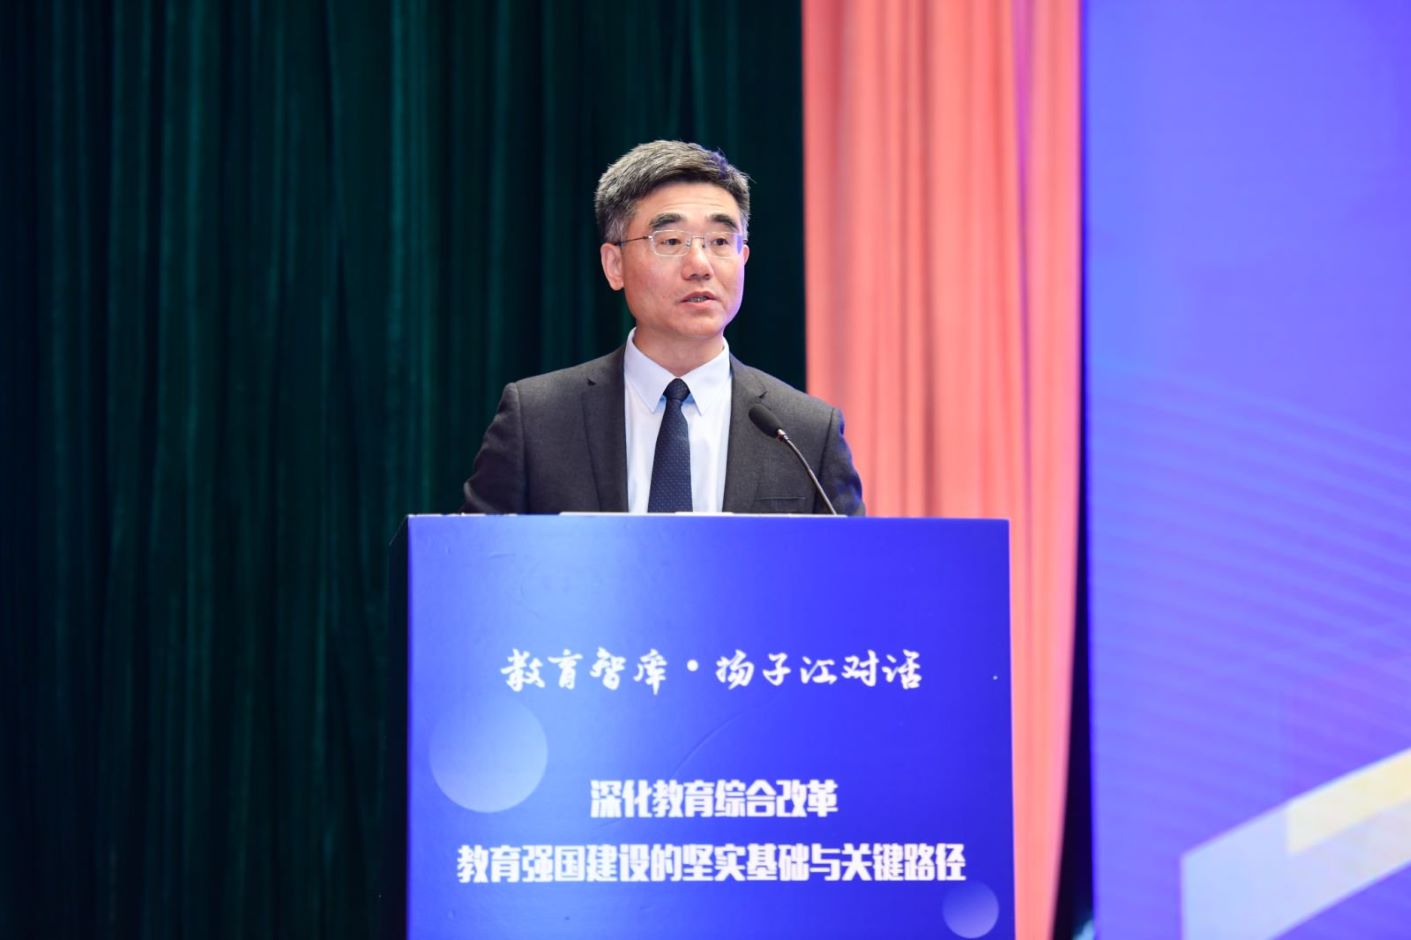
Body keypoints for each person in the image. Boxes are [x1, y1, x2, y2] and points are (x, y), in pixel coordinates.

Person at [461, 140, 864, 515]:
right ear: (614, 265)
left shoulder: (805, 433)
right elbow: (471, 560)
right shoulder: (537, 420)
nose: (700, 265)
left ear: (743, 258)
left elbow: (854, 566)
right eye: (671, 241)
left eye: (720, 242)